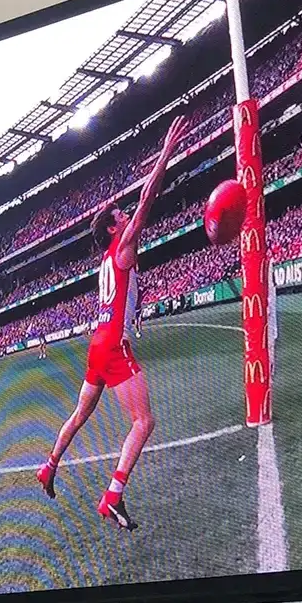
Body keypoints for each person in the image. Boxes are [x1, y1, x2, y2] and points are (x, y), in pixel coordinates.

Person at [37, 115, 189, 531]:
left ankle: (49, 466)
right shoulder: (121, 249)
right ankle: (113, 496)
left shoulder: (107, 261)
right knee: (144, 421)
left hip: (96, 344)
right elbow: (147, 201)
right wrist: (166, 153)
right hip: (112, 345)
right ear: (112, 228)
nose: (126, 215)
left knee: (79, 414)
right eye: (119, 215)